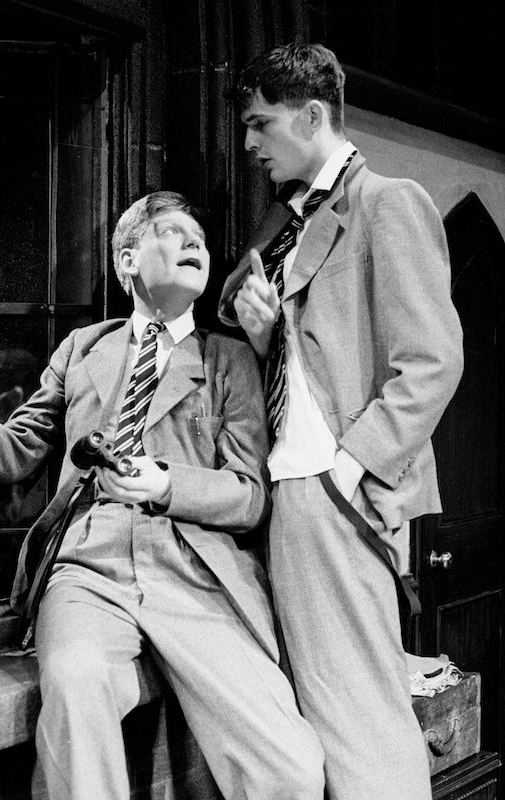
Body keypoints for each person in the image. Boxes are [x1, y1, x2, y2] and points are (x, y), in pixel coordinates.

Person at [0, 191, 325, 800]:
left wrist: (165, 484)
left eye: (200, 239)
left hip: (196, 571)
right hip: (89, 567)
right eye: (173, 233)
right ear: (127, 259)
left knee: (288, 768)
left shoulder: (229, 358)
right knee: (75, 689)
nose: (195, 244)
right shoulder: (82, 349)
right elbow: (16, 450)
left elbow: (249, 494)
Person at [218, 44, 464, 800]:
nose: (250, 143)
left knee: (361, 715)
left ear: (313, 115)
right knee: (330, 706)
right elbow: (306, 358)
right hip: (293, 485)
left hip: (338, 491)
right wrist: (266, 338)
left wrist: (349, 469)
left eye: (260, 123)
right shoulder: (289, 219)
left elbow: (431, 362)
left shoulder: (388, 201)